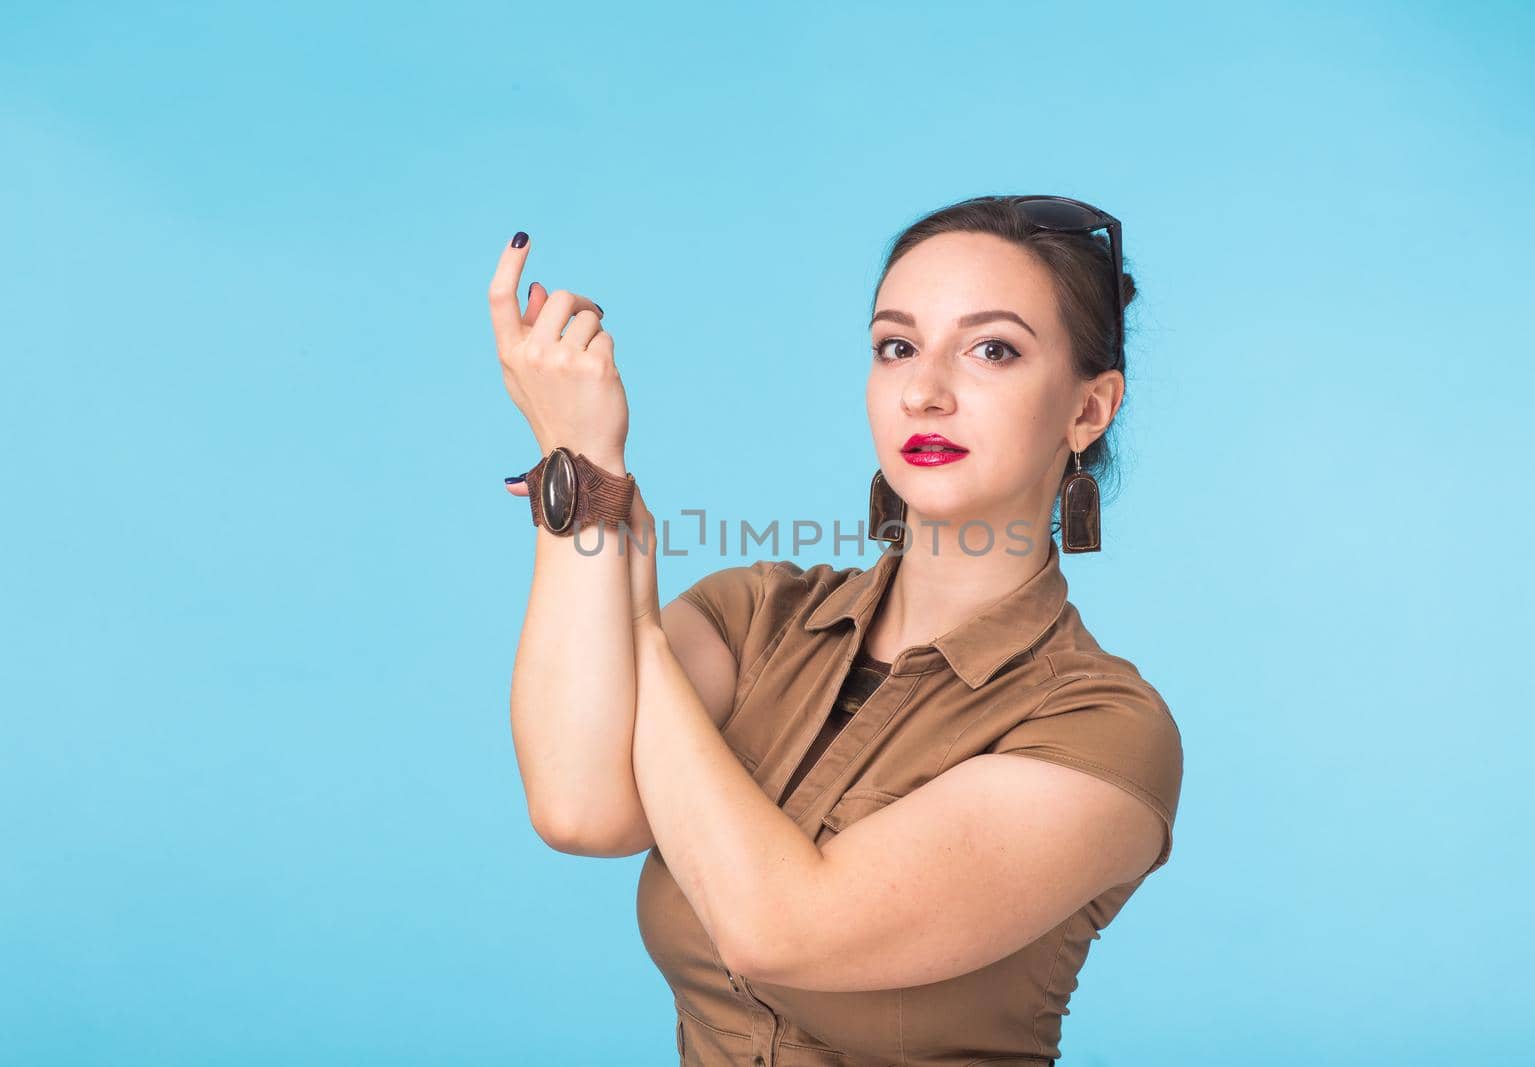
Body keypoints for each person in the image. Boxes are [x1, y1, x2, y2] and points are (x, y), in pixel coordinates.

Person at [489, 195, 1184, 1066]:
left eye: (992, 349)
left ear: (1090, 409)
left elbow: (781, 928)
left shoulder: (1105, 730)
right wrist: (582, 473)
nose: (925, 391)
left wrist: (634, 616)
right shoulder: (754, 616)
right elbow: (578, 806)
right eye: (897, 346)